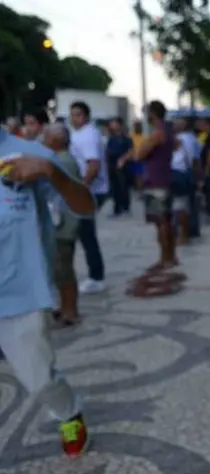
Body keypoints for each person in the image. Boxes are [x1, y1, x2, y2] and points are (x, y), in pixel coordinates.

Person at [0, 127, 95, 456]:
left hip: (18, 292)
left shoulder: (31, 154)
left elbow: (86, 207)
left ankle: (69, 412)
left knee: (39, 379)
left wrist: (53, 174)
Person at [43, 124, 82, 326]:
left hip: (63, 224)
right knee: (61, 269)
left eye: (46, 136)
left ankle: (71, 310)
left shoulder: (62, 161)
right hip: (62, 222)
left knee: (64, 269)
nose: (43, 140)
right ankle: (66, 307)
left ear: (56, 140)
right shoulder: (61, 159)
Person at [69, 101, 108, 294]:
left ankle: (96, 277)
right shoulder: (79, 134)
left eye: (77, 115)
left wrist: (81, 188)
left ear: (86, 116)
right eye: (72, 114)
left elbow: (93, 166)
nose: (73, 118)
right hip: (84, 190)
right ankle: (95, 275)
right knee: (84, 234)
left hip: (90, 191)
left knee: (86, 234)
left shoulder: (88, 135)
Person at [135, 100, 178, 270]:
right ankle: (171, 256)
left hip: (156, 180)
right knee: (167, 219)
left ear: (152, 114)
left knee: (160, 221)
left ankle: (164, 258)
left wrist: (143, 145)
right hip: (165, 177)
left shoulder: (157, 134)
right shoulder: (169, 131)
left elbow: (139, 154)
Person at [170, 121, 193, 245]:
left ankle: (181, 235)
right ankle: (183, 235)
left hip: (175, 173)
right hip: (181, 173)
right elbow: (190, 159)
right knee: (180, 206)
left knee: (177, 207)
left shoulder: (176, 140)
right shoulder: (183, 140)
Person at [106, 117, 134, 217]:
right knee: (115, 187)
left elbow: (131, 152)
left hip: (123, 166)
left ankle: (125, 207)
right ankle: (117, 208)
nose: (112, 125)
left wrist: (123, 159)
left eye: (114, 123)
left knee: (123, 187)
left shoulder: (126, 139)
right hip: (112, 165)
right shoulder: (111, 138)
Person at [130, 121, 145, 191]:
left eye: (139, 126)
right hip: (132, 160)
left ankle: (140, 190)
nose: (137, 127)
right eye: (136, 126)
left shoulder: (145, 137)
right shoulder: (130, 137)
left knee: (140, 176)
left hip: (141, 160)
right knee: (135, 176)